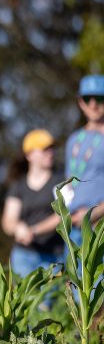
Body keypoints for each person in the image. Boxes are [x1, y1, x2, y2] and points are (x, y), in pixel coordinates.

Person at [1, 129, 65, 277]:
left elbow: (62, 215)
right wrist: (18, 228)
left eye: (51, 148)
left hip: (53, 256)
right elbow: (8, 219)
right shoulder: (18, 186)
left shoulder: (61, 181)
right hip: (23, 255)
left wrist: (34, 231)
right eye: (44, 149)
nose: (50, 153)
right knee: (25, 299)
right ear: (29, 155)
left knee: (48, 300)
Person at [66, 75, 104, 242]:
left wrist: (93, 214)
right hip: (73, 228)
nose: (93, 104)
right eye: (88, 99)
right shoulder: (74, 139)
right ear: (81, 102)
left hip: (99, 226)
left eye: (100, 98)